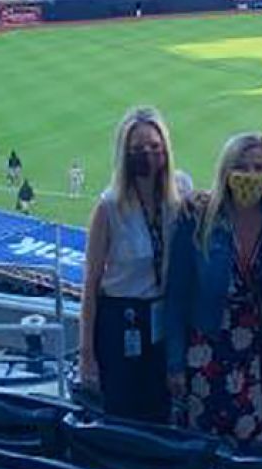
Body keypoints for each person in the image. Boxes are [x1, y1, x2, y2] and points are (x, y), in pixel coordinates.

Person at [165, 133, 262, 446]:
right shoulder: (196, 217)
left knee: (255, 457)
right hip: (206, 353)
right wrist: (175, 364)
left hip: (259, 359)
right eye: (240, 166)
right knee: (203, 452)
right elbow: (176, 297)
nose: (250, 175)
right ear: (225, 170)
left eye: (258, 167)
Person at [79, 106, 190, 423]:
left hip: (163, 317)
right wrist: (86, 355)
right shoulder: (109, 206)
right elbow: (90, 284)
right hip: (120, 318)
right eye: (138, 148)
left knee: (162, 409)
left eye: (155, 147)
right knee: (122, 412)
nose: (148, 155)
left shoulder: (179, 191)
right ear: (124, 153)